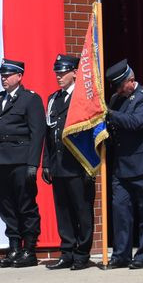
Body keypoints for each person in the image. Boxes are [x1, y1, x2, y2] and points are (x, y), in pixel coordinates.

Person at [0, 59, 46, 268]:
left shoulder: (30, 99)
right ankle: (14, 247)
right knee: (6, 206)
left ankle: (29, 249)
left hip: (21, 160)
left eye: (8, 75)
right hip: (0, 160)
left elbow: (37, 133)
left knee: (25, 205)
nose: (4, 78)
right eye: (2, 75)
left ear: (19, 77)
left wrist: (33, 163)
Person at [42, 55, 96, 271]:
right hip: (58, 163)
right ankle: (67, 251)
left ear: (75, 72)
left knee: (82, 210)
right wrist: (46, 163)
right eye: (57, 71)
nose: (58, 75)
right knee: (63, 210)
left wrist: (89, 167)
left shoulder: (82, 99)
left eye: (63, 72)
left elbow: (90, 133)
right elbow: (49, 134)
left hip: (77, 164)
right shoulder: (53, 99)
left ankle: (82, 253)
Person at [104, 59, 143, 269]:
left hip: (140, 165)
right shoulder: (116, 99)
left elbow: (135, 123)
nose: (117, 90)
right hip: (120, 166)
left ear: (130, 81)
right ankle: (121, 254)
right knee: (121, 212)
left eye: (119, 85)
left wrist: (110, 114)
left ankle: (142, 256)